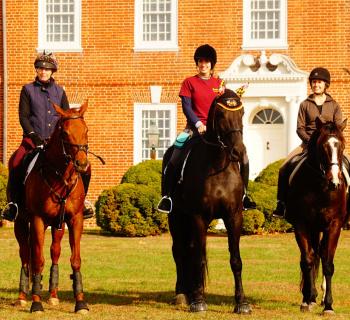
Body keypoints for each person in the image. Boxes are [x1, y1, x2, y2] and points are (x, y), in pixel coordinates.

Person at [157, 44, 256, 213]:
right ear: (197, 63)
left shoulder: (220, 84)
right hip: (193, 128)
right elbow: (187, 108)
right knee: (174, 153)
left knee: (243, 155)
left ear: (212, 64)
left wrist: (238, 93)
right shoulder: (189, 82)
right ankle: (167, 197)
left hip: (217, 131)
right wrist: (198, 124)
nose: (203, 64)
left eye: (207, 61)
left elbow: (228, 104)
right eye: (200, 61)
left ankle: (245, 195)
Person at [1, 51, 94, 221]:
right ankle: (13, 204)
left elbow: (67, 118)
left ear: (52, 72)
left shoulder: (60, 91)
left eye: (47, 69)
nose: (43, 71)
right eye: (40, 69)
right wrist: (34, 138)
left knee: (86, 167)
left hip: (57, 144)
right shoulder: (27, 90)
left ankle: (83, 202)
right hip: (32, 141)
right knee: (15, 161)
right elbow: (23, 117)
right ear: (36, 71)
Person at [273, 67, 344, 217]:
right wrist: (311, 142)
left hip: (330, 147)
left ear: (326, 85)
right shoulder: (305, 104)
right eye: (314, 82)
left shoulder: (334, 105)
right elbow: (300, 128)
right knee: (283, 168)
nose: (316, 85)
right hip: (307, 145)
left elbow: (338, 129)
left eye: (319, 82)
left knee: (347, 166)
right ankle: (281, 204)